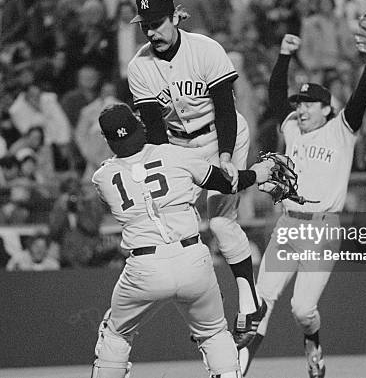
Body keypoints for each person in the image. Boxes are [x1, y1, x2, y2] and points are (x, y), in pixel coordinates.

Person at [89, 103, 274, 378]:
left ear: (107, 139)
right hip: (192, 258)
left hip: (143, 266)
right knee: (214, 335)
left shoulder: (102, 177)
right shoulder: (174, 154)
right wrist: (261, 172)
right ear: (138, 125)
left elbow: (135, 175)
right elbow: (225, 182)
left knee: (115, 333)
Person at [126, 0, 266, 347]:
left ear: (175, 17)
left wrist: (223, 156)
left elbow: (223, 108)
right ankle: (265, 176)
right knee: (179, 229)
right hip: (176, 145)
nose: (151, 32)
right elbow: (155, 130)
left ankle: (249, 302)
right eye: (145, 26)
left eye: (156, 23)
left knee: (220, 221)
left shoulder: (205, 49)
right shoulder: (139, 66)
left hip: (221, 135)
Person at [239, 24, 366, 377]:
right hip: (289, 226)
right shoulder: (291, 129)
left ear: (326, 108)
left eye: (308, 105)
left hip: (323, 228)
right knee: (261, 301)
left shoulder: (341, 130)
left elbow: (361, 99)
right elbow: (275, 96)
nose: (301, 110)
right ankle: (237, 369)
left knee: (303, 309)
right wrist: (284, 56)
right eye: (299, 104)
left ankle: (313, 342)